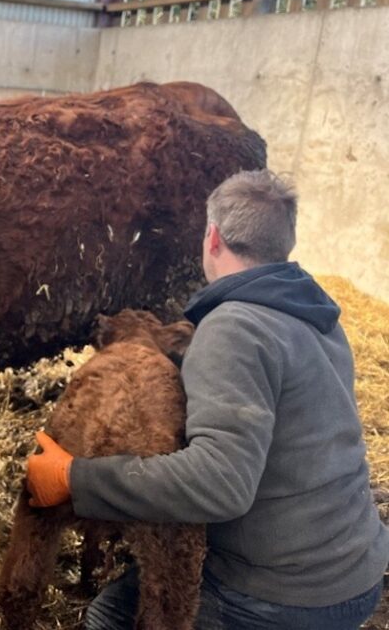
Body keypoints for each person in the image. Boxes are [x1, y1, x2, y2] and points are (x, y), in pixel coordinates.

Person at [26, 169, 389, 629]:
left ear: (212, 238)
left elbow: (220, 483)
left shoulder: (234, 327)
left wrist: (75, 478)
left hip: (284, 597)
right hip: (357, 569)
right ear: (285, 243)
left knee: (110, 615)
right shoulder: (315, 314)